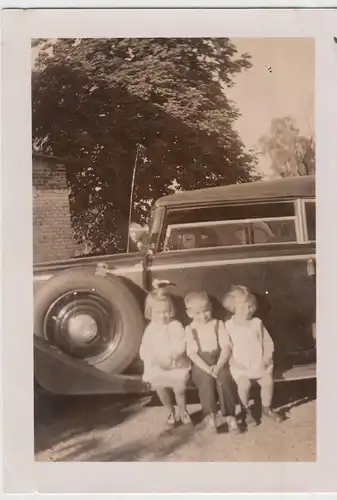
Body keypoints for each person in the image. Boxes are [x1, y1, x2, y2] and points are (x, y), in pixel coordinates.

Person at [223, 285, 282, 425]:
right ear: (233, 307)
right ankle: (245, 411)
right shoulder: (228, 325)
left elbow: (267, 342)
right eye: (243, 307)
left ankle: (266, 408)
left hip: (259, 362)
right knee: (244, 384)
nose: (248, 310)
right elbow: (226, 347)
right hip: (240, 364)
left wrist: (267, 357)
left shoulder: (257, 323)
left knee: (267, 381)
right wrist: (231, 361)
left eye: (250, 306)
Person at [184, 291, 240, 433]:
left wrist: (219, 365)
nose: (203, 316)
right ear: (189, 314)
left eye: (206, 311)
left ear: (211, 308)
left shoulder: (218, 324)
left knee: (224, 379)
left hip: (219, 359)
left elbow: (226, 347)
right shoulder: (190, 329)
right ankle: (210, 415)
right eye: (198, 313)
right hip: (201, 363)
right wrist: (208, 369)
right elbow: (192, 353)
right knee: (206, 381)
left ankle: (229, 415)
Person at [139, 288, 191, 426]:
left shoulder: (176, 325)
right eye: (158, 312)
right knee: (160, 387)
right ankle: (170, 411)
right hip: (158, 365)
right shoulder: (150, 329)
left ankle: (183, 410)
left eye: (166, 312)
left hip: (175, 363)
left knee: (179, 389)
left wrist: (175, 354)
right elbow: (145, 348)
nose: (163, 316)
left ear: (171, 310)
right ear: (150, 312)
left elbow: (182, 343)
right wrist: (152, 360)